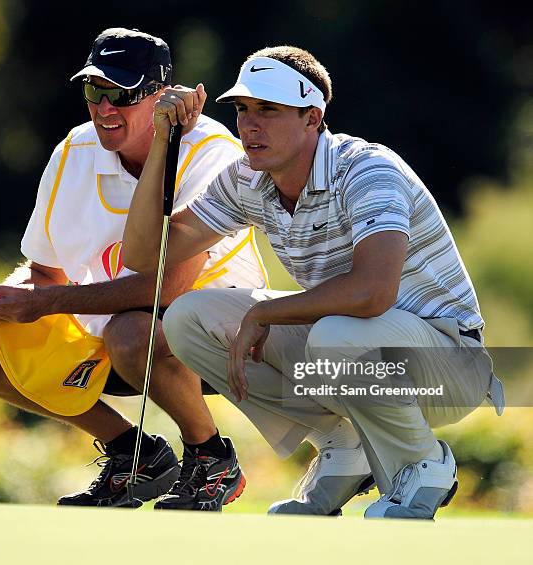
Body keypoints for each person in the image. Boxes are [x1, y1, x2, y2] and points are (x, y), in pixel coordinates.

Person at [122, 45, 505, 519]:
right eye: (243, 110)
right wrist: (162, 141)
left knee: (334, 334)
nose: (249, 125)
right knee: (187, 318)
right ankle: (342, 446)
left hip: (449, 366)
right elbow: (143, 256)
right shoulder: (247, 179)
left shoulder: (366, 169)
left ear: (312, 117)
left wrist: (265, 312)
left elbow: (372, 292)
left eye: (269, 110)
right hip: (352, 347)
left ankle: (422, 464)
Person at [0, 28, 268, 511]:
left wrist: (40, 303)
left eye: (122, 94)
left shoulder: (212, 151)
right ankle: (133, 455)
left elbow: (167, 288)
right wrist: (3, 302)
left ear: (163, 98)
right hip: (115, 334)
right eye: (94, 92)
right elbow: (45, 272)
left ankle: (211, 456)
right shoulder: (73, 151)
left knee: (130, 332)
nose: (105, 109)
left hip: (220, 340)